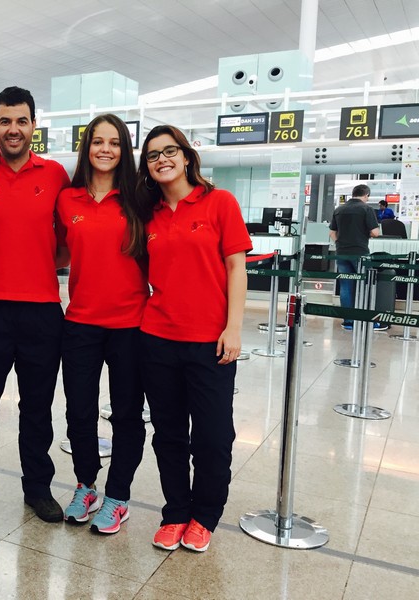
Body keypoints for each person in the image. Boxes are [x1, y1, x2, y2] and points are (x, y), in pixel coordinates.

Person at [131, 125, 251, 552]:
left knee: (214, 436)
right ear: (146, 167)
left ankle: (205, 516)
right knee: (168, 435)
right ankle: (176, 512)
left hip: (210, 343)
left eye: (169, 151)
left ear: (186, 156)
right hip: (157, 339)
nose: (161, 160)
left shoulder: (219, 202)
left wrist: (233, 327)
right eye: (152, 156)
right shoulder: (147, 215)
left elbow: (237, 268)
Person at [0, 87, 70, 525]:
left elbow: (66, 242)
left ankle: (38, 488)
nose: (13, 129)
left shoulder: (55, 174)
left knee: (37, 407)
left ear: (34, 126)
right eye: (5, 121)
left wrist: (37, 260)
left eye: (21, 121)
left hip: (41, 309)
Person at [54, 114, 148, 534]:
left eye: (114, 142)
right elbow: (54, 251)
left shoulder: (141, 199)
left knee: (126, 414)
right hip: (80, 324)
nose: (105, 149)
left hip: (131, 325)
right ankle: (86, 484)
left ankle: (119, 495)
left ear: (124, 149)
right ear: (86, 147)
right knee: (79, 411)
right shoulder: (67, 199)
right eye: (97, 141)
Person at [329, 184, 385, 331]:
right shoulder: (366, 209)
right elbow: (375, 233)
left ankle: (348, 321)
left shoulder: (339, 209)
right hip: (360, 252)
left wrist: (340, 244)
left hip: (341, 252)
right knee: (367, 284)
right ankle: (370, 321)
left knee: (346, 286)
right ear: (366, 195)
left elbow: (332, 233)